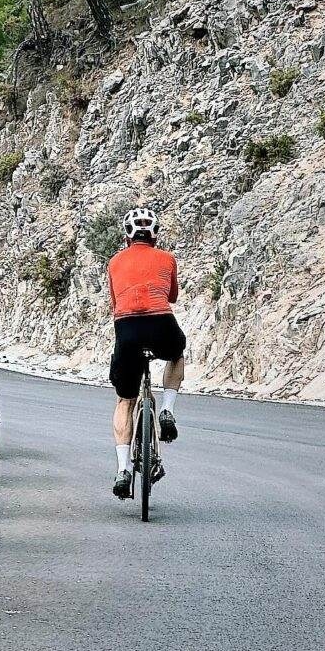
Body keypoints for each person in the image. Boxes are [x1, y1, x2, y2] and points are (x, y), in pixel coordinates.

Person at [107, 207, 185, 500]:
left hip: (127, 328)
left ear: (127, 234)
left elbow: (115, 302)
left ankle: (123, 469)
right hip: (161, 323)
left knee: (125, 400)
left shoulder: (114, 262)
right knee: (177, 354)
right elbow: (172, 296)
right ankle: (167, 408)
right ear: (155, 234)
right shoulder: (167, 258)